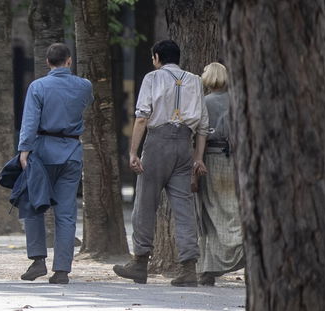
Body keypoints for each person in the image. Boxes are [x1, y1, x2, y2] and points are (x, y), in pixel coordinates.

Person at [114, 40, 207, 286]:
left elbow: (142, 117)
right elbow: (203, 125)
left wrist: (133, 152)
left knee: (145, 203)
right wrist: (198, 157)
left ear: (157, 57)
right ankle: (189, 267)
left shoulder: (152, 78)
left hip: (158, 143)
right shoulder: (195, 81)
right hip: (185, 144)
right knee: (184, 208)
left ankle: (140, 262)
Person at [15, 42, 93, 284]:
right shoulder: (84, 86)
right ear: (69, 61)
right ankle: (62, 270)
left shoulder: (38, 86)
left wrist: (24, 150)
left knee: (32, 205)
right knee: (66, 213)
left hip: (42, 153)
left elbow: (30, 121)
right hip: (71, 152)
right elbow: (86, 103)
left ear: (47, 62)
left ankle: (38, 260)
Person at [196, 61, 244, 285]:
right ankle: (241, 251)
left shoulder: (204, 102)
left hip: (212, 160)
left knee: (211, 212)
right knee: (234, 209)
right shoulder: (237, 101)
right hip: (236, 160)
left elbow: (200, 134)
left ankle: (209, 267)